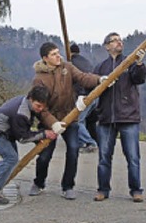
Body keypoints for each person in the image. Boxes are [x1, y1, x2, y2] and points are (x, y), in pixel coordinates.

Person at [30, 42, 104, 200]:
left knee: (73, 150)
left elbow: (84, 78)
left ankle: (68, 186)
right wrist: (52, 123)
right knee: (44, 155)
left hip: (70, 118)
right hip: (49, 121)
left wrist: (99, 80)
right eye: (53, 54)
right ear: (45, 58)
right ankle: (39, 182)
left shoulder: (68, 68)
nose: (58, 56)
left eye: (58, 52)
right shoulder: (39, 79)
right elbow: (40, 108)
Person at [0, 86, 64, 205]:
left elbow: (22, 132)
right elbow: (23, 138)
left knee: (10, 160)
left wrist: (39, 137)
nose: (40, 109)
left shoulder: (26, 103)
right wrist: (43, 134)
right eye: (38, 106)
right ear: (31, 99)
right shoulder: (21, 113)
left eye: (43, 106)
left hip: (6, 132)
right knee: (11, 159)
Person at [93, 32, 146, 203]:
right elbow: (90, 85)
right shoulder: (101, 67)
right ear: (107, 46)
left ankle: (136, 190)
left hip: (128, 116)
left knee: (132, 157)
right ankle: (103, 189)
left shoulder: (130, 62)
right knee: (103, 157)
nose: (119, 42)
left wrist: (139, 63)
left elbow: (139, 79)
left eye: (120, 40)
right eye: (114, 40)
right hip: (106, 117)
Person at [69, 43, 98, 153]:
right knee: (83, 119)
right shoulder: (86, 62)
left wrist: (80, 94)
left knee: (77, 121)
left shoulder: (71, 64)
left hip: (83, 96)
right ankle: (81, 143)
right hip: (94, 94)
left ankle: (90, 142)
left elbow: (78, 81)